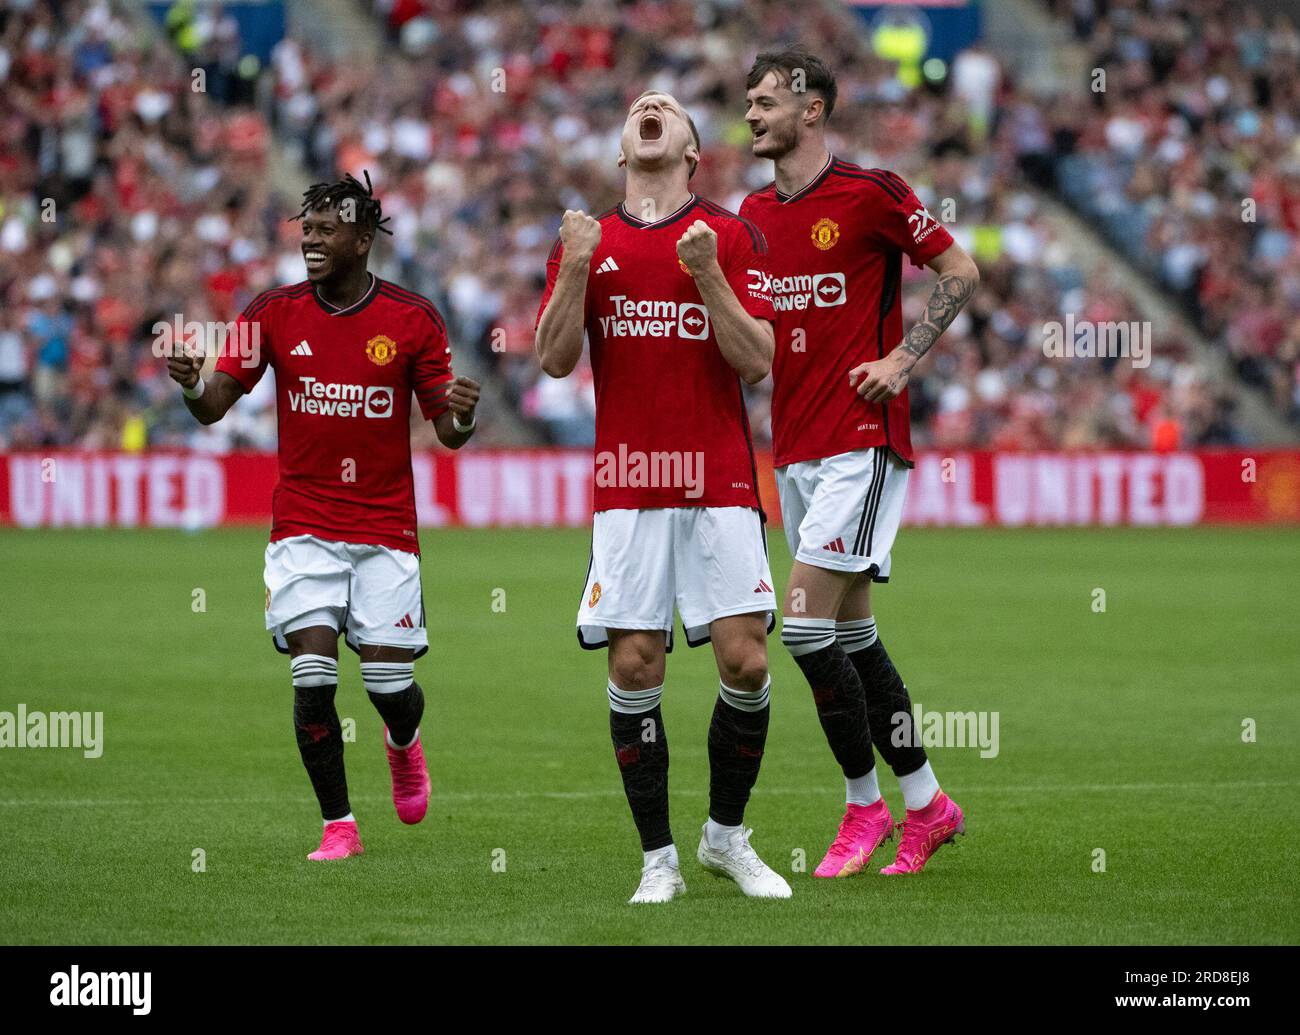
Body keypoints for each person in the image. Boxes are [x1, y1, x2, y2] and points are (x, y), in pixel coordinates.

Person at [166, 172, 481, 861]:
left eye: (325, 229)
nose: (310, 239)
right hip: (302, 525)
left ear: (363, 239)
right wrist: (192, 384)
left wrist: (461, 412)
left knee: (389, 686)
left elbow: (447, 431)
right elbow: (215, 405)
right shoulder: (273, 311)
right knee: (313, 675)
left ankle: (403, 743)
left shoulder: (411, 318)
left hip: (384, 531)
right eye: (305, 229)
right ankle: (338, 823)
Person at [535, 91, 789, 903]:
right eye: (638, 106)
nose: (650, 105)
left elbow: (757, 360)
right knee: (636, 662)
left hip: (718, 477)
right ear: (623, 151)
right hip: (629, 483)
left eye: (668, 107)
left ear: (689, 149)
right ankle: (658, 859)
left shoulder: (729, 238)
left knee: (746, 663)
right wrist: (575, 265)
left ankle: (725, 836)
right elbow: (551, 358)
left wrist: (708, 271)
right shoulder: (587, 240)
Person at [741, 48, 981, 876]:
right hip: (796, 449)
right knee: (851, 635)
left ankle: (864, 807)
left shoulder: (872, 193)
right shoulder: (751, 214)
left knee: (803, 625)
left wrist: (903, 360)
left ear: (813, 109)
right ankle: (929, 805)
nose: (752, 112)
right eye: (748, 100)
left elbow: (960, 268)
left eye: (767, 99)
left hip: (863, 442)